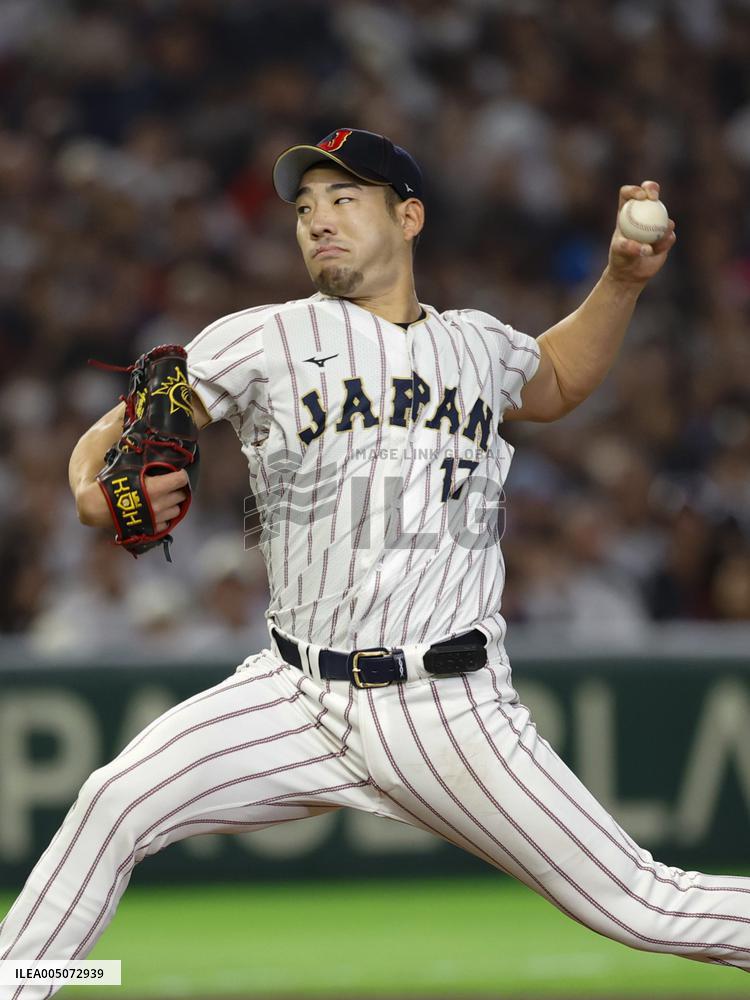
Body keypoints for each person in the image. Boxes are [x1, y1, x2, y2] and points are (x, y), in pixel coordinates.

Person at [1, 128, 747, 995]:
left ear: (409, 217)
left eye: (344, 199)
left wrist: (619, 280)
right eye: (306, 207)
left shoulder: (475, 343)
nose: (318, 219)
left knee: (644, 906)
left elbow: (554, 378)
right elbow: (121, 426)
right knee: (114, 801)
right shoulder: (263, 338)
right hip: (293, 694)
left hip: (449, 706)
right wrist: (94, 493)